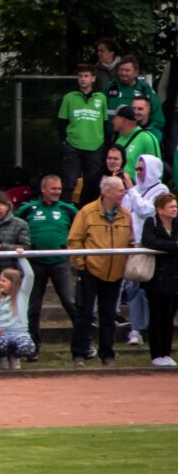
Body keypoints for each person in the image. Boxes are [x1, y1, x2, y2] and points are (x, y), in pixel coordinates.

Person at [68, 177, 134, 367]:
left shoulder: (126, 215)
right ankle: (79, 353)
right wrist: (81, 265)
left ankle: (107, 354)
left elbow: (130, 242)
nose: (123, 194)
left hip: (115, 273)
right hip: (90, 270)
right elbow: (74, 240)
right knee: (85, 313)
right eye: (120, 190)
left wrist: (124, 264)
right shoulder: (87, 212)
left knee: (108, 315)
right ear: (107, 192)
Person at [16, 175, 79, 349]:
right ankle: (32, 346)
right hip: (34, 263)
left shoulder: (68, 209)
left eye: (59, 189)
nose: (57, 192)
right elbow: (14, 225)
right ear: (44, 189)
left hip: (60, 262)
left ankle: (83, 343)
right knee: (33, 306)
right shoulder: (28, 209)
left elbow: (81, 228)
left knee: (70, 302)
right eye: (53, 188)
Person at [123, 155, 167, 345]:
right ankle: (136, 329)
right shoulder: (135, 190)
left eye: (142, 169)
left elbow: (146, 210)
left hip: (149, 245)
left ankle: (149, 327)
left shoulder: (161, 190)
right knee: (132, 287)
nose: (138, 172)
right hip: (133, 244)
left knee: (148, 288)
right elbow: (125, 209)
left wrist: (131, 190)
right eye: (138, 169)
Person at [57, 63, 108, 206]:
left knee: (92, 183)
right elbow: (61, 122)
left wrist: (103, 141)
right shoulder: (70, 97)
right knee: (70, 181)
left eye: (86, 76)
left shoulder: (101, 98)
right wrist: (64, 141)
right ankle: (66, 210)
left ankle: (90, 212)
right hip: (73, 144)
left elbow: (104, 122)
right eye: (80, 76)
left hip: (95, 145)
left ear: (93, 78)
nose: (83, 79)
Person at [139, 192, 178, 367]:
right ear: (160, 209)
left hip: (174, 277)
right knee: (157, 315)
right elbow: (149, 241)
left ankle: (166, 352)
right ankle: (156, 353)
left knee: (169, 316)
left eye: (176, 206)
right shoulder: (151, 222)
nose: (175, 209)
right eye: (171, 206)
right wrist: (173, 247)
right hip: (156, 277)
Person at [0, 252, 36, 370]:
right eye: (0, 280)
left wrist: (21, 257)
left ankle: (15, 356)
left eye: (4, 281)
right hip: (2, 332)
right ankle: (2, 358)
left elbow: (30, 275)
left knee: (28, 347)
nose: (0, 283)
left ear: (13, 283)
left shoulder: (22, 294)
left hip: (20, 333)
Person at [103, 56, 165, 133]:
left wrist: (149, 134)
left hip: (139, 137)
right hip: (111, 137)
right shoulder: (109, 88)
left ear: (136, 72)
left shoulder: (145, 89)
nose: (123, 73)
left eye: (127, 70)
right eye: (121, 70)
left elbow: (157, 117)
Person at [108, 105, 160, 177]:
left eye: (115, 118)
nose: (112, 121)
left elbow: (156, 168)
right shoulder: (119, 140)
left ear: (123, 120)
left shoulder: (147, 139)